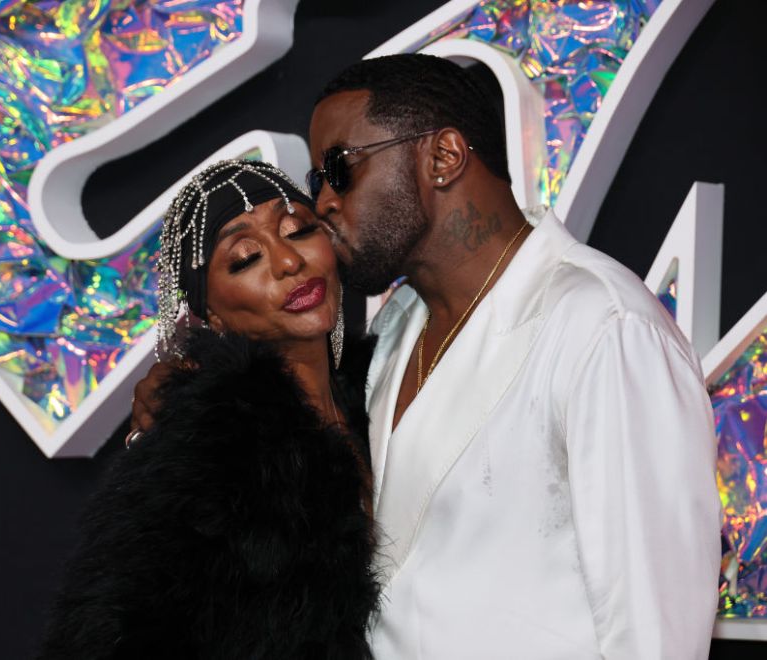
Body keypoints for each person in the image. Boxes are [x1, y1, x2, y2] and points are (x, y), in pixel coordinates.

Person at [132, 54, 722, 658]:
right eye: (317, 183)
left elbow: (657, 639)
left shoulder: (603, 328)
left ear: (442, 158)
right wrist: (182, 392)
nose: (325, 204)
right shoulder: (392, 332)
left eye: (340, 168)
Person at [38, 160, 380, 659]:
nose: (288, 262)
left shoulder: (384, 383)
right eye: (245, 258)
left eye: (299, 231)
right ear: (212, 312)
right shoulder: (207, 453)